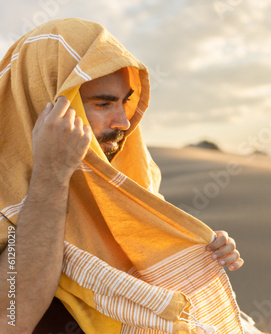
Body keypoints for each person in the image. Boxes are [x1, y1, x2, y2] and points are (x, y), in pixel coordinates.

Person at [0, 19, 249, 333]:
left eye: (124, 102)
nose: (123, 121)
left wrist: (194, 251)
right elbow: (11, 320)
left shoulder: (120, 187)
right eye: (103, 104)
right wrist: (51, 175)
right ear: (42, 104)